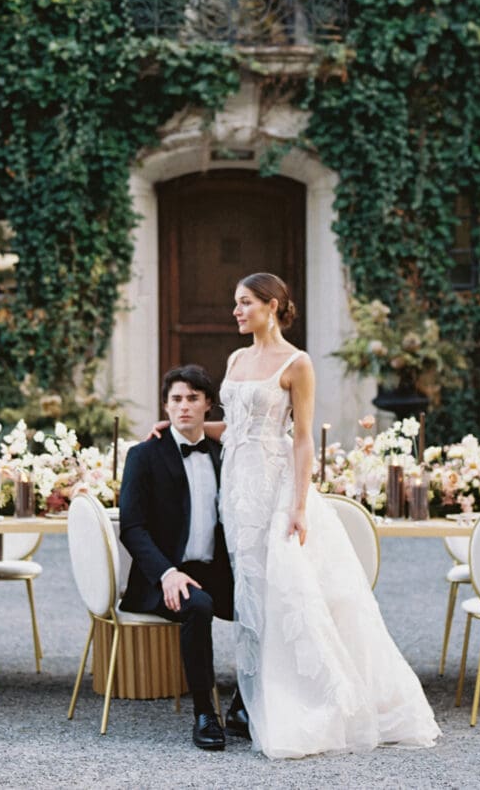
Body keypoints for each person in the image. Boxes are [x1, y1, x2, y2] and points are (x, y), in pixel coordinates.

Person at [156, 273, 440, 759]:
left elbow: (303, 437)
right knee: (249, 593)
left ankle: (287, 699)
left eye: (244, 303)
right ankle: (249, 698)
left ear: (272, 305)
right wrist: (183, 425)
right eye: (235, 302)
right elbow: (237, 427)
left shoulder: (297, 363)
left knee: (279, 591)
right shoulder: (236, 358)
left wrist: (300, 505)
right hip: (238, 490)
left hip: (275, 486)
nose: (236, 312)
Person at [117, 365, 250, 750]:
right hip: (164, 575)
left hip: (214, 569)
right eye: (176, 399)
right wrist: (167, 573)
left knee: (269, 599)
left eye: (193, 398)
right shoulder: (143, 456)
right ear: (166, 406)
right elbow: (133, 528)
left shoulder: (223, 454)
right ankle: (205, 713)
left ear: (209, 404)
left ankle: (242, 706)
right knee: (199, 606)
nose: (184, 406)